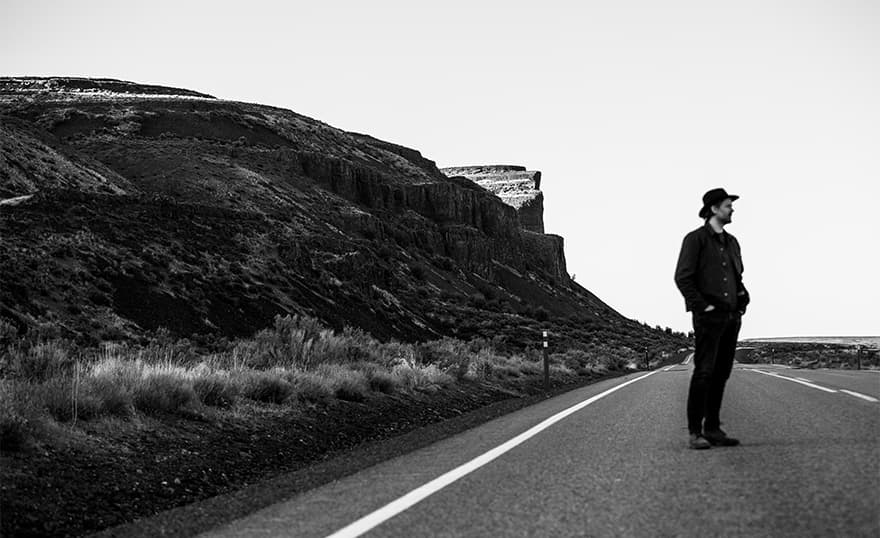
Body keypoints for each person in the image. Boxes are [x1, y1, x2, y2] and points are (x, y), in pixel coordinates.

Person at [674, 188, 750, 449]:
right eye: (728, 205)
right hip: (708, 318)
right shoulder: (695, 240)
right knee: (704, 372)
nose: (732, 209)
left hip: (731, 317)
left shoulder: (732, 242)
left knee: (722, 373)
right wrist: (702, 307)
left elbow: (737, 277)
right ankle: (696, 432)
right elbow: (683, 277)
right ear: (714, 209)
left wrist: (742, 300)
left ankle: (714, 429)